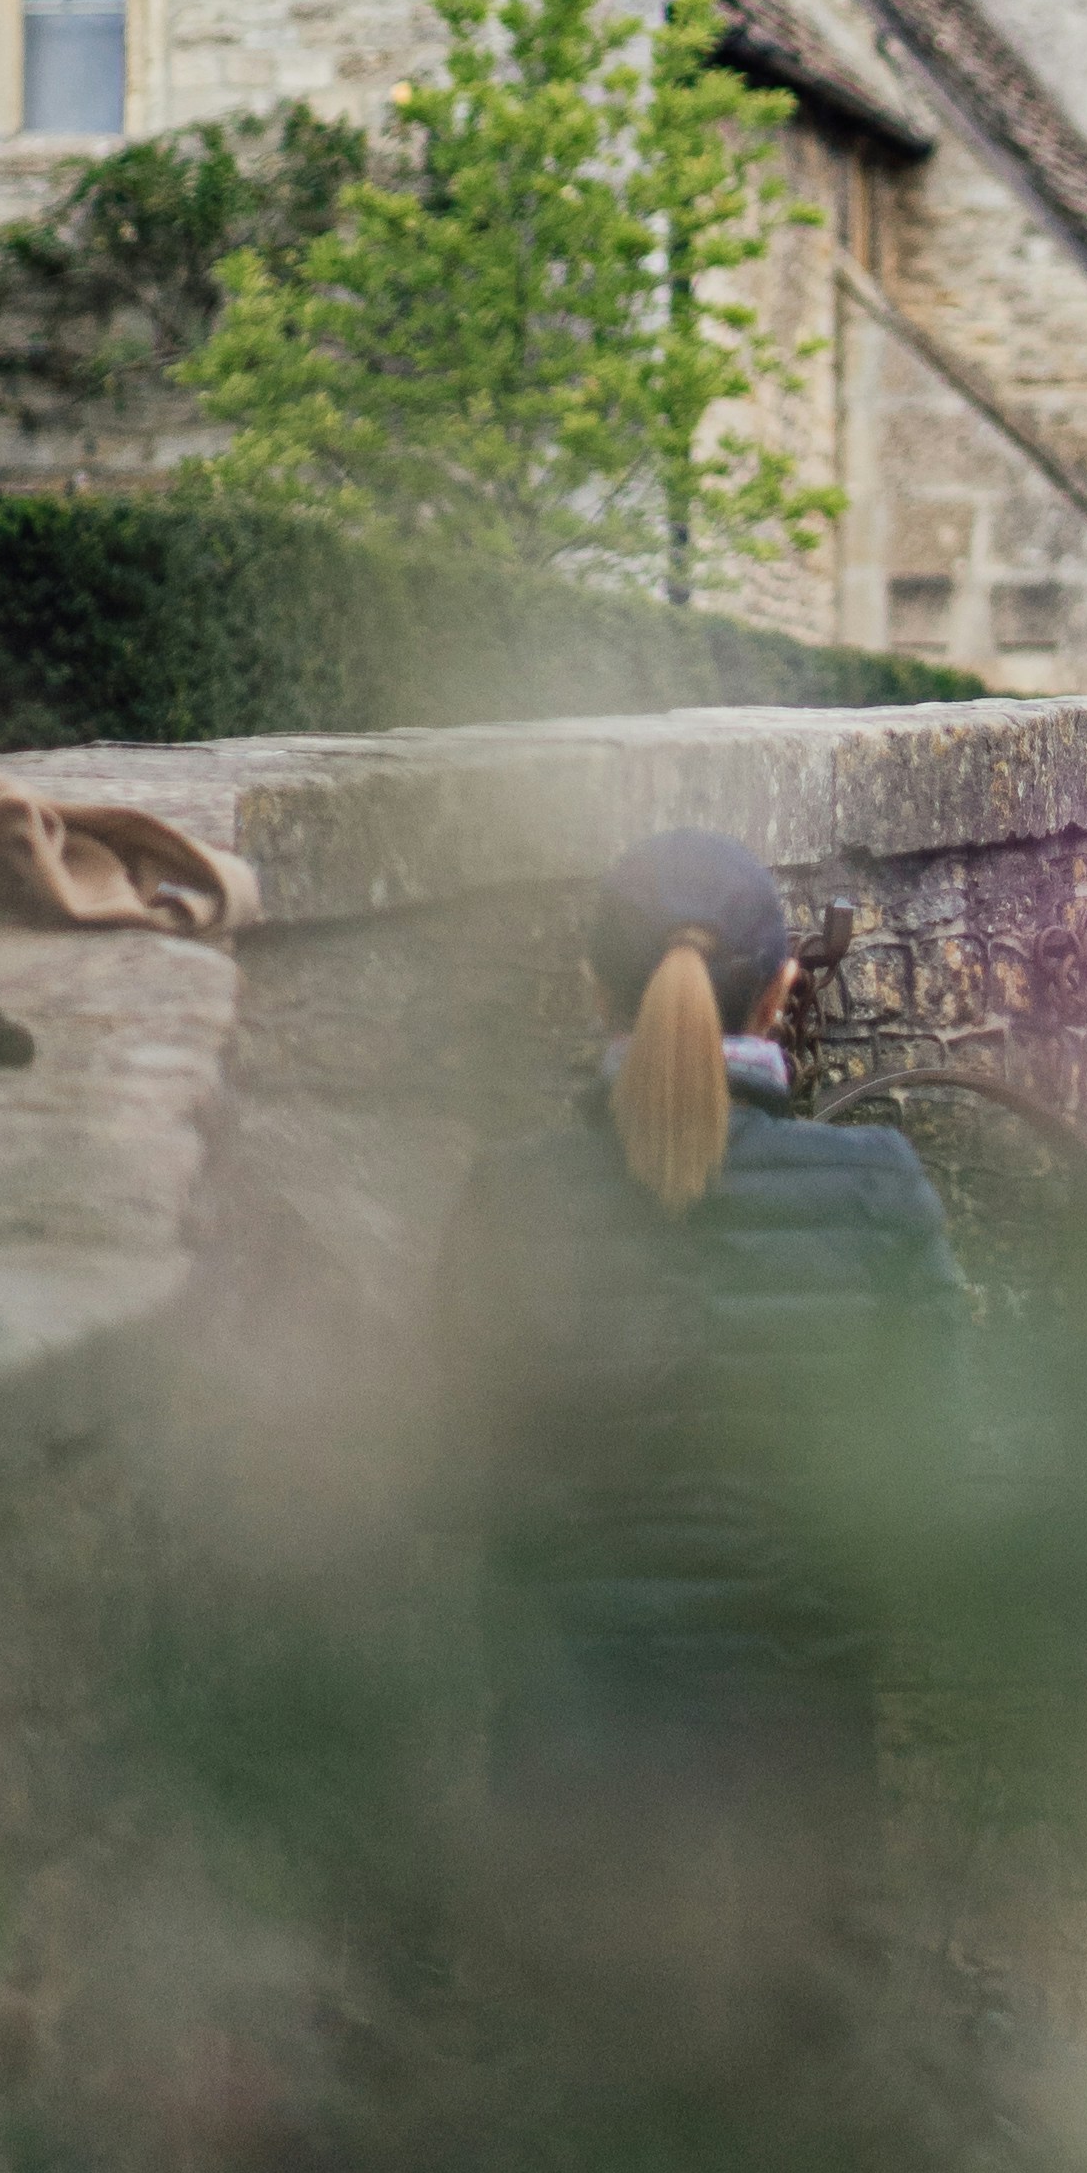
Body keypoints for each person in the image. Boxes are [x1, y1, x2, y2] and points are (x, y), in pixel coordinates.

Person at [438, 826, 970, 1958]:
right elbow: (938, 1476)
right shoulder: (876, 1189)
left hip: (566, 1747)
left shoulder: (508, 1198)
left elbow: (458, 1482)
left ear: (592, 990)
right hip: (802, 1754)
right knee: (800, 2070)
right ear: (780, 992)